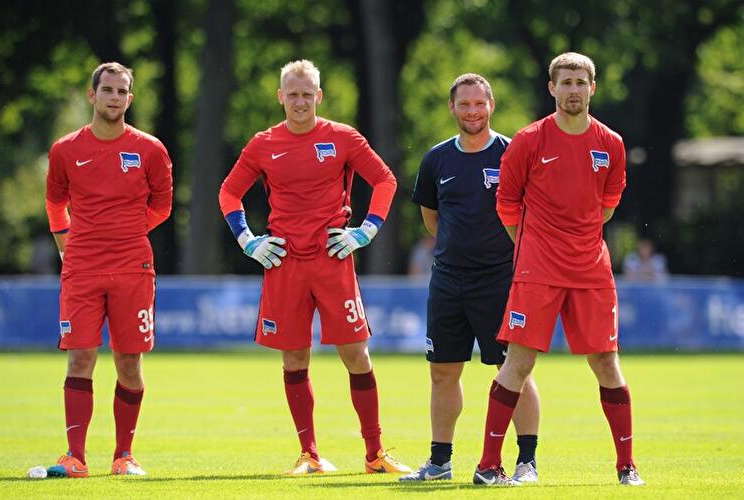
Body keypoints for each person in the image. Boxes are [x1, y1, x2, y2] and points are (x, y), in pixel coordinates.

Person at [218, 59, 411, 476]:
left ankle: (375, 454)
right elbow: (229, 192)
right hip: (284, 260)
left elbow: (385, 180)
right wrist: (248, 240)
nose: (300, 101)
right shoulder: (263, 143)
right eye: (293, 94)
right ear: (280, 97)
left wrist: (366, 230)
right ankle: (309, 454)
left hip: (333, 258)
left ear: (319, 96)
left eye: (308, 94)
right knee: (293, 358)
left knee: (356, 355)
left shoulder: (342, 137)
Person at [472, 52, 644, 486]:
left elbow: (606, 209)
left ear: (593, 88)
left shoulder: (611, 144)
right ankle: (489, 465)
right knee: (519, 363)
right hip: (537, 271)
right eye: (565, 82)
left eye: (580, 83)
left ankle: (627, 467)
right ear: (552, 88)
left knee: (607, 364)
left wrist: (575, 241)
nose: (573, 90)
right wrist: (533, 248)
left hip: (591, 270)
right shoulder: (529, 141)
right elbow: (506, 204)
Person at [401, 74, 540, 483]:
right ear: (452, 108)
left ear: (491, 105)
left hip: (500, 280)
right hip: (446, 281)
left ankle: (526, 462)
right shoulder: (436, 159)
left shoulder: (514, 153)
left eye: (479, 104)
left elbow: (533, 214)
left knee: (513, 371)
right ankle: (440, 462)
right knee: (443, 372)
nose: (472, 112)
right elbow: (432, 221)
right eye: (464, 105)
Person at [43, 62, 173, 478]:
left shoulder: (151, 149)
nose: (115, 97)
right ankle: (75, 457)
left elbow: (163, 206)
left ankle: (124, 456)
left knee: (129, 363)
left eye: (122, 91)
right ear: (92, 95)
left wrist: (127, 231)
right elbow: (55, 204)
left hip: (133, 266)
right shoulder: (65, 149)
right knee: (80, 358)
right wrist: (68, 245)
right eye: (108, 90)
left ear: (129, 99)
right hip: (81, 266)